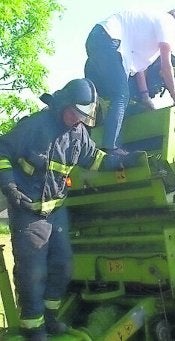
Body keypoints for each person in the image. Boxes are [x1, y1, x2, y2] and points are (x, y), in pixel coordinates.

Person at [0, 78, 108, 341]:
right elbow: (2, 150)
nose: (79, 120)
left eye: (84, 116)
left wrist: (128, 159)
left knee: (62, 266)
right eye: (76, 114)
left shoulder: (79, 134)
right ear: (63, 105)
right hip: (27, 212)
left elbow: (95, 160)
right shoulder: (35, 126)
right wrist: (10, 188)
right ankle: (32, 328)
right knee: (32, 272)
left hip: (56, 212)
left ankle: (49, 318)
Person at [84, 7, 175, 155]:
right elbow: (166, 66)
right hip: (108, 39)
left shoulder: (148, 27)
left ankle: (86, 141)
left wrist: (145, 97)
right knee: (121, 95)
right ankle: (110, 148)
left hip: (98, 39)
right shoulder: (168, 23)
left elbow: (139, 69)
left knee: (101, 98)